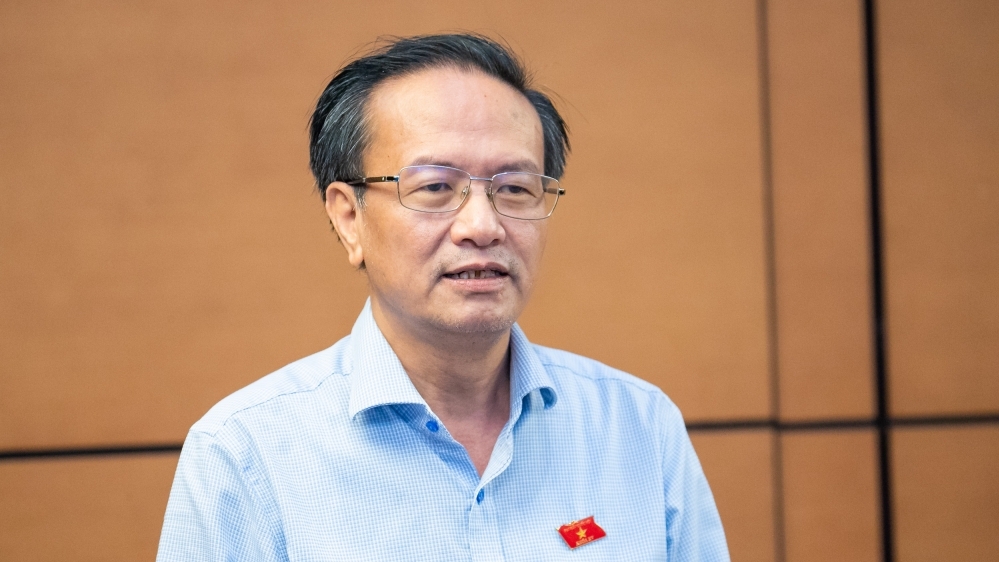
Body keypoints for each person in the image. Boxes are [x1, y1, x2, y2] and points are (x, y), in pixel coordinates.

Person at [157, 33, 729, 561]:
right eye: (434, 186)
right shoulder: (246, 454)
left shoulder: (638, 427)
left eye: (515, 188)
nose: (482, 226)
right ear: (349, 217)